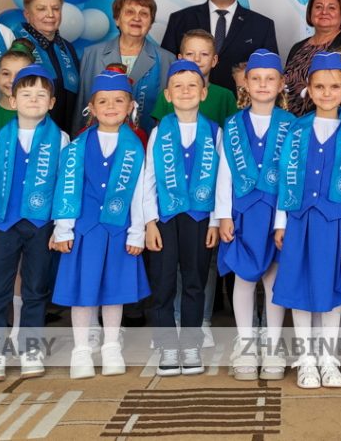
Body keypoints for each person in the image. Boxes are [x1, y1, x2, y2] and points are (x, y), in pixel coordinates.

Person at [0, 65, 69, 382]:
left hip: (41, 226)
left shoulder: (61, 139)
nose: (34, 100)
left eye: (41, 94)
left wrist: (62, 227)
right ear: (13, 100)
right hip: (2, 224)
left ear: (52, 102)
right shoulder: (0, 139)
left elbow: (65, 187)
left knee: (35, 288)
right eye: (26, 94)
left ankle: (30, 348)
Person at [273, 52, 341, 390]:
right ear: (309, 90)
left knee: (330, 286)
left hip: (334, 221)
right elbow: (285, 176)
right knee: (299, 286)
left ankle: (327, 358)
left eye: (334, 87)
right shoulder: (297, 130)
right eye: (320, 87)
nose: (327, 93)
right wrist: (280, 222)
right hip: (299, 219)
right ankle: (306, 359)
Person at [51, 68, 151, 380]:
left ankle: (111, 346)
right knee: (82, 290)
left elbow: (140, 191)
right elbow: (67, 188)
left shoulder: (134, 147)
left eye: (119, 100)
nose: (111, 106)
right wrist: (63, 228)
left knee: (114, 290)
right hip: (85, 229)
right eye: (103, 101)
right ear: (91, 108)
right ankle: (81, 349)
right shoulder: (77, 146)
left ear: (130, 106)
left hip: (119, 229)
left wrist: (137, 231)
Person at [215, 50, 294, 382]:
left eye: (270, 78)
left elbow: (292, 177)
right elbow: (224, 173)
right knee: (244, 278)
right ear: (245, 84)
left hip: (277, 213)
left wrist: (283, 220)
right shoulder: (233, 125)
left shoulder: (291, 125)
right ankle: (246, 343)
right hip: (242, 213)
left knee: (274, 279)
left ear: (281, 83)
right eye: (256, 78)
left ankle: (273, 345)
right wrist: (223, 215)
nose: (263, 84)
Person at [143, 60, 221, 376]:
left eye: (192, 86)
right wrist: (149, 222)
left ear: (203, 93)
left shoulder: (214, 131)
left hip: (200, 217)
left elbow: (221, 181)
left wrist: (215, 221)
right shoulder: (159, 131)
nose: (185, 91)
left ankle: (190, 344)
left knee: (194, 281)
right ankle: (166, 344)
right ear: (168, 94)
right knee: (162, 282)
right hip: (164, 217)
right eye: (178, 86)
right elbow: (148, 179)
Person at [161, 0, 278, 94]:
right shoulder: (180, 20)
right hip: (189, 101)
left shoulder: (262, 25)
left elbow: (271, 73)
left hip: (241, 103)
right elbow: (166, 68)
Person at [74, 0, 174, 136]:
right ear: (117, 19)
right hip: (97, 140)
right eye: (130, 12)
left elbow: (169, 113)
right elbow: (81, 106)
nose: (137, 18)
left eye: (144, 14)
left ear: (151, 23)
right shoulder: (91, 54)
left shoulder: (168, 60)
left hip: (147, 141)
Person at [15, 0, 80, 133]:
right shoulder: (16, 44)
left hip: (66, 133)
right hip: (30, 133)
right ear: (27, 14)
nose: (50, 14)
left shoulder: (68, 48)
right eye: (41, 9)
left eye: (55, 8)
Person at [151, 29, 238, 126]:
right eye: (190, 54)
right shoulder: (167, 95)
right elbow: (159, 131)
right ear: (180, 59)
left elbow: (234, 131)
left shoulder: (226, 96)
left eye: (204, 54)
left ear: (214, 60)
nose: (197, 59)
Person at [0, 40, 37, 143]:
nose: (12, 80)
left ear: (32, 80)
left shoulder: (39, 113)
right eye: (6, 74)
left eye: (20, 74)